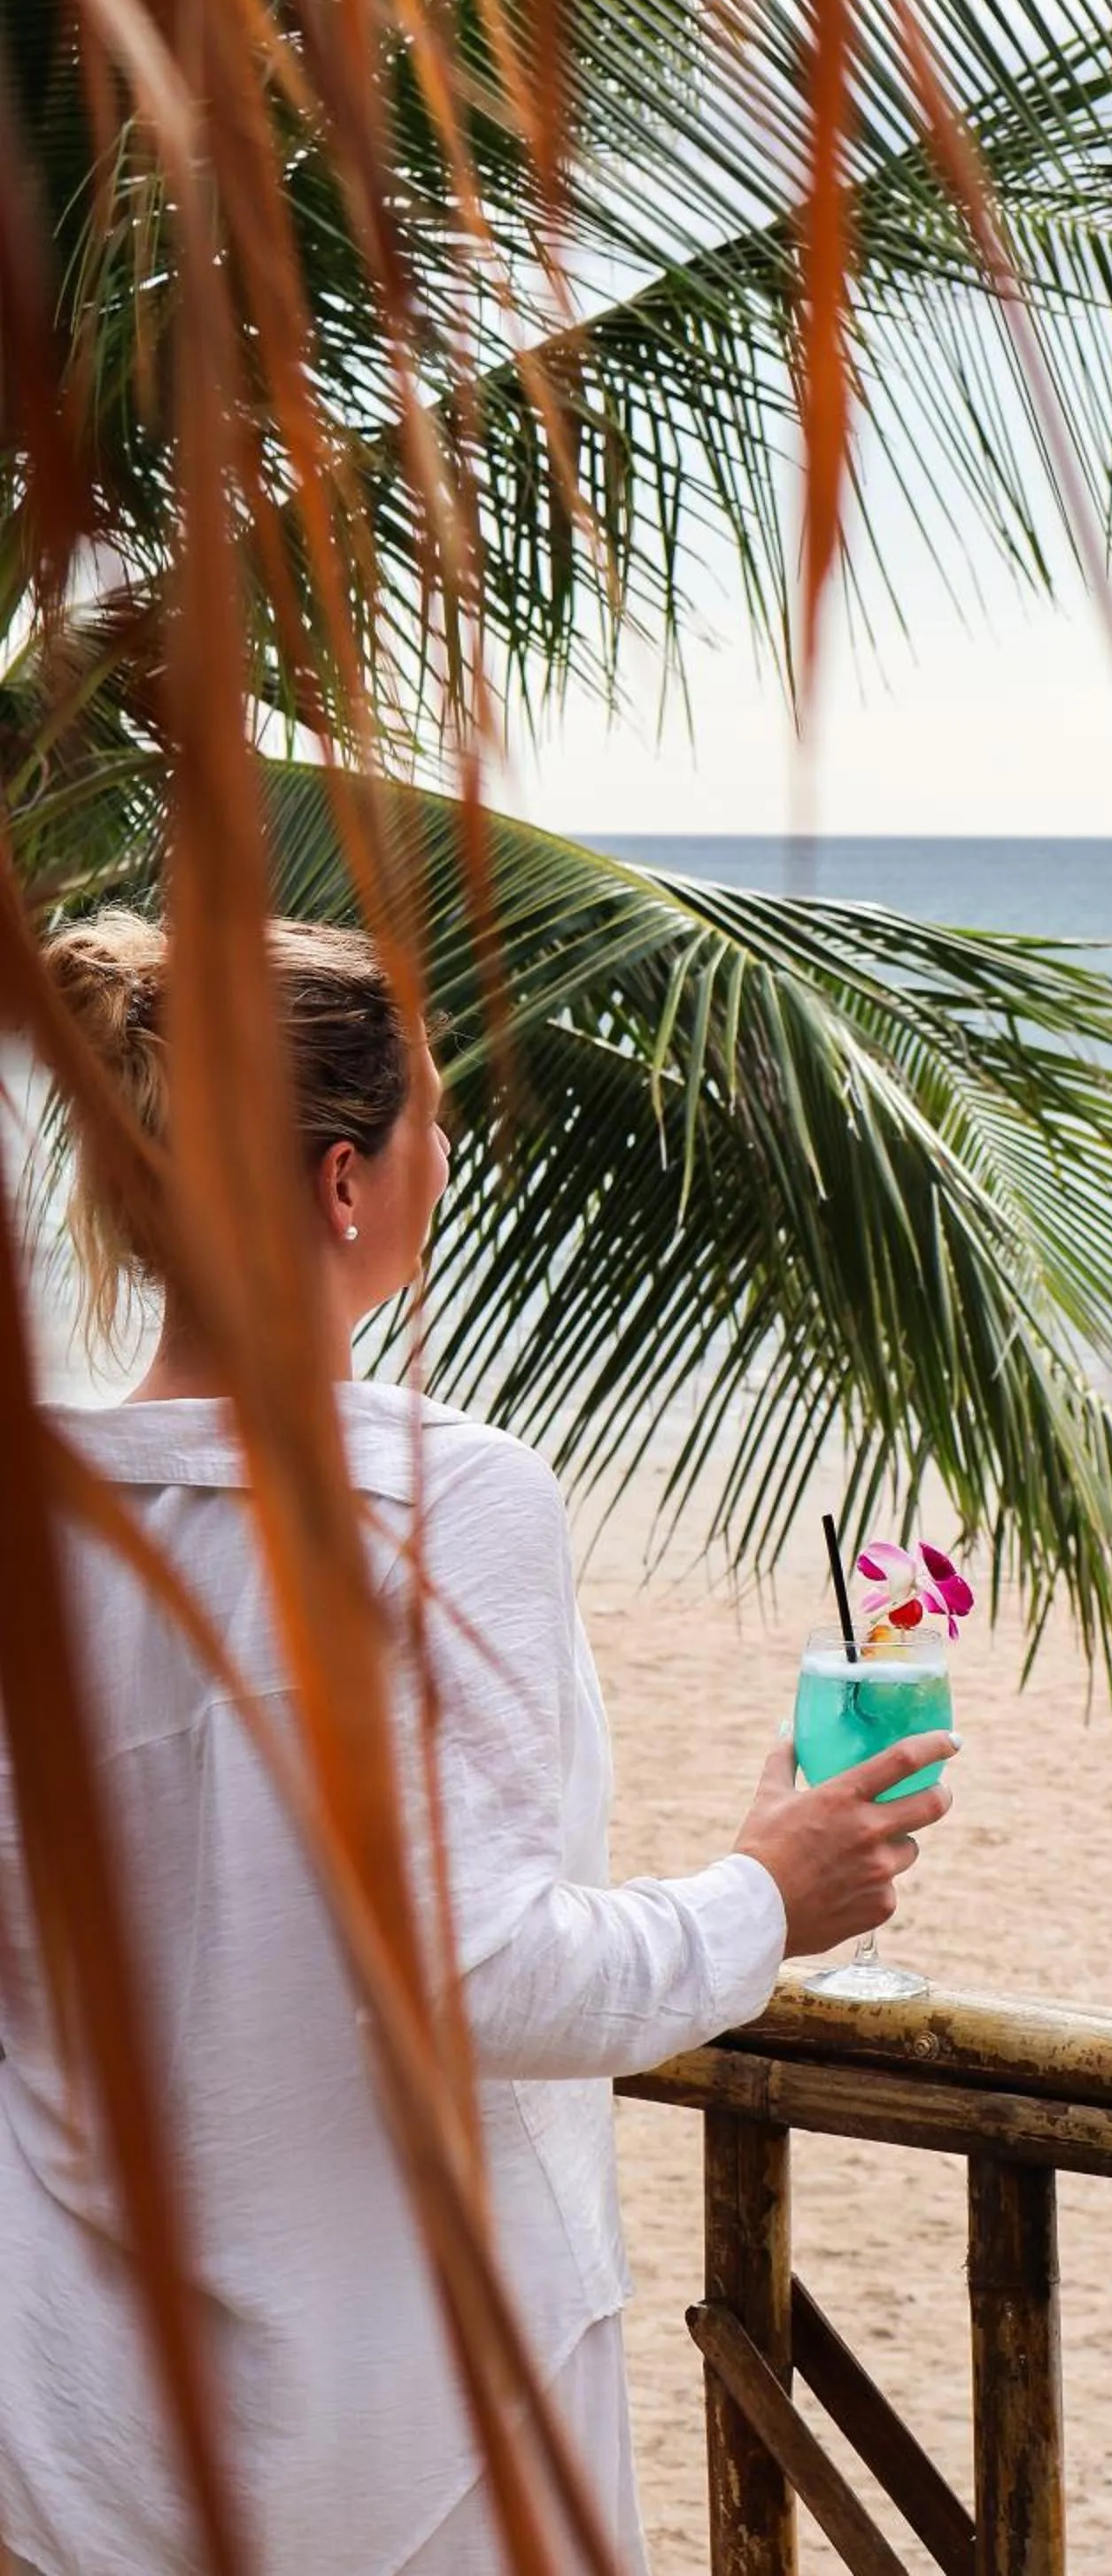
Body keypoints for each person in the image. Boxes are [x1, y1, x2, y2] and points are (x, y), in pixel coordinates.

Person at [0, 912, 957, 2575]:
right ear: (345, 1182)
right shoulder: (432, 1501)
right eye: (429, 1119)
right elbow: (488, 1979)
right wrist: (765, 1895)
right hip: (404, 2437)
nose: (447, 1155)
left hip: (78, 2428)